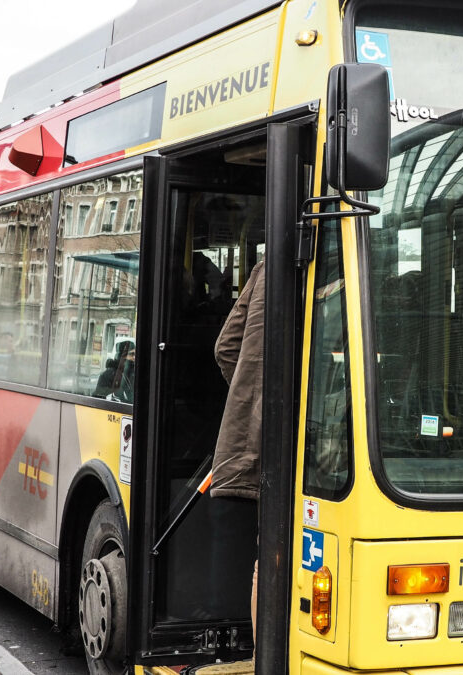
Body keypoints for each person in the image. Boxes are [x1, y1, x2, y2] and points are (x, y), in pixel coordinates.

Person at [210, 258, 266, 641]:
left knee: (267, 549)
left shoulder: (266, 268)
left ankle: (260, 654)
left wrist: (253, 402)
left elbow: (225, 347)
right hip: (312, 445)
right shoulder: (339, 268)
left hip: (256, 443)